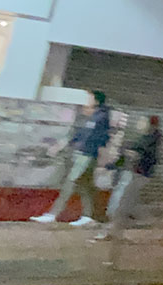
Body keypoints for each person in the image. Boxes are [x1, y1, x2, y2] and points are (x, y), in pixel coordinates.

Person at [31, 91, 112, 226]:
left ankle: (53, 214)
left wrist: (98, 154)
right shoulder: (93, 116)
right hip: (84, 153)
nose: (87, 101)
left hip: (87, 154)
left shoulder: (100, 117)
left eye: (90, 98)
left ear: (97, 101)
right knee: (84, 186)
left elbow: (97, 137)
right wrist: (64, 144)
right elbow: (80, 133)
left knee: (70, 182)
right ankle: (88, 216)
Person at [92, 115, 162, 242]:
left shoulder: (150, 140)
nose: (139, 124)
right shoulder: (145, 139)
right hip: (132, 174)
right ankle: (115, 232)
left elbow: (145, 157)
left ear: (149, 125)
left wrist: (131, 153)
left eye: (142, 121)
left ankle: (113, 231)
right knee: (123, 205)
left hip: (137, 175)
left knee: (121, 205)